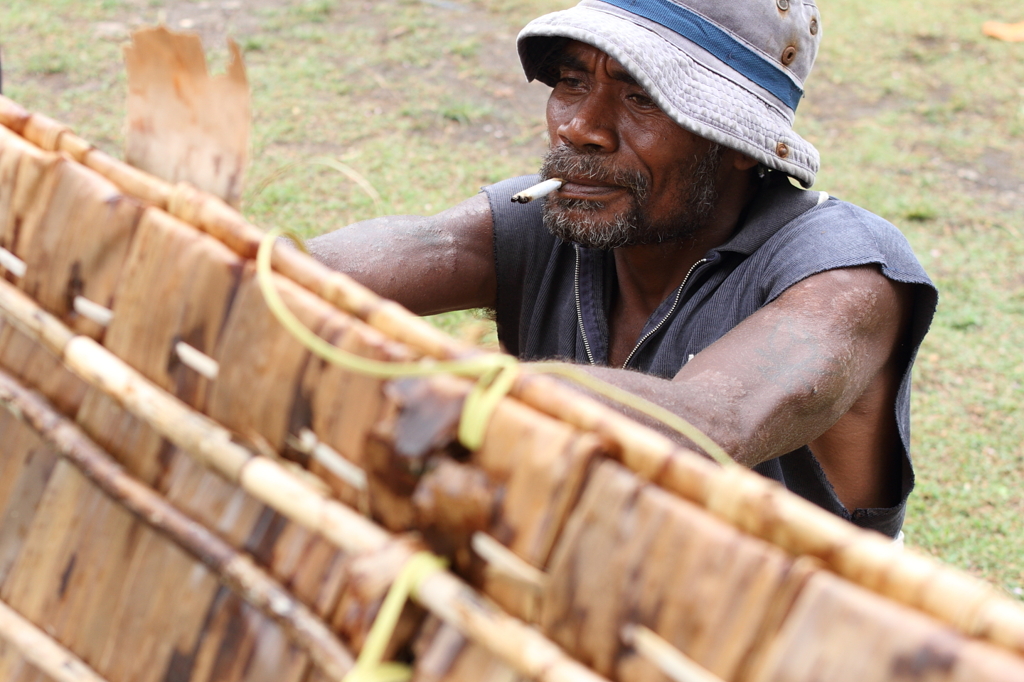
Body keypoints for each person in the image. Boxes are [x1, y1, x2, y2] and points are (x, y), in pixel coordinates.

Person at [307, 0, 937, 538]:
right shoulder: (562, 212)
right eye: (573, 82)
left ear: (739, 142)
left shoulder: (846, 277)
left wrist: (472, 390)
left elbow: (706, 425)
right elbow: (354, 264)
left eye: (642, 97)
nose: (581, 128)